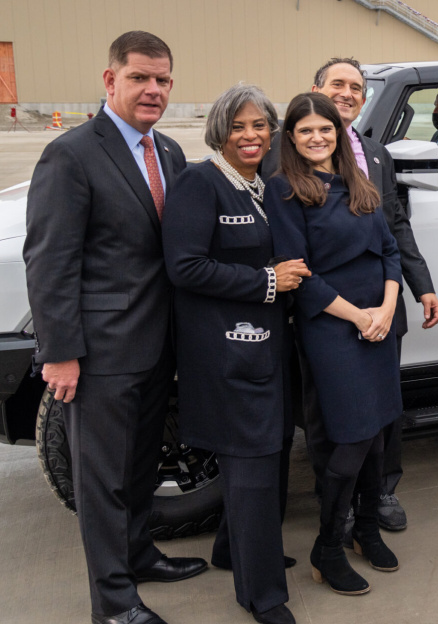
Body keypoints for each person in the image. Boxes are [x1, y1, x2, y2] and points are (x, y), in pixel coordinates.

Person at [23, 30, 207, 624]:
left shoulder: (170, 153)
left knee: (138, 469)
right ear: (111, 80)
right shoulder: (72, 154)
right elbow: (50, 262)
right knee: (100, 482)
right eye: (139, 78)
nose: (153, 90)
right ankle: (114, 602)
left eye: (162, 80)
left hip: (156, 347)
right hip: (100, 353)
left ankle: (138, 554)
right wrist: (60, 353)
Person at [263, 57, 438, 535]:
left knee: (385, 410)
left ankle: (379, 495)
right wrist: (358, 317)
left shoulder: (373, 156)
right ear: (316, 89)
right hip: (330, 316)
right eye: (337, 84)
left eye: (356, 88)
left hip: (382, 311)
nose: (347, 94)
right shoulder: (280, 167)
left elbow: (393, 229)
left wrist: (414, 288)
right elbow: (292, 261)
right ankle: (335, 506)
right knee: (333, 415)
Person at [162, 84, 309, 624]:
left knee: (268, 453)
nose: (250, 136)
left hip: (269, 348)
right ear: (219, 130)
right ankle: (263, 595)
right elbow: (185, 267)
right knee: (250, 465)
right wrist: (266, 282)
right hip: (226, 350)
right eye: (239, 126)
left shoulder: (263, 186)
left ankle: (234, 550)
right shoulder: (199, 185)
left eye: (260, 126)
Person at [265, 92, 404, 596]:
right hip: (333, 327)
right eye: (305, 131)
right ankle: (327, 545)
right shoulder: (284, 191)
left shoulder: (356, 182)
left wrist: (386, 309)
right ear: (292, 138)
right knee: (352, 437)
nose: (318, 137)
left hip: (378, 322)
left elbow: (389, 250)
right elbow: (301, 277)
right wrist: (359, 316)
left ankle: (366, 530)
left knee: (380, 432)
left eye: (326, 128)